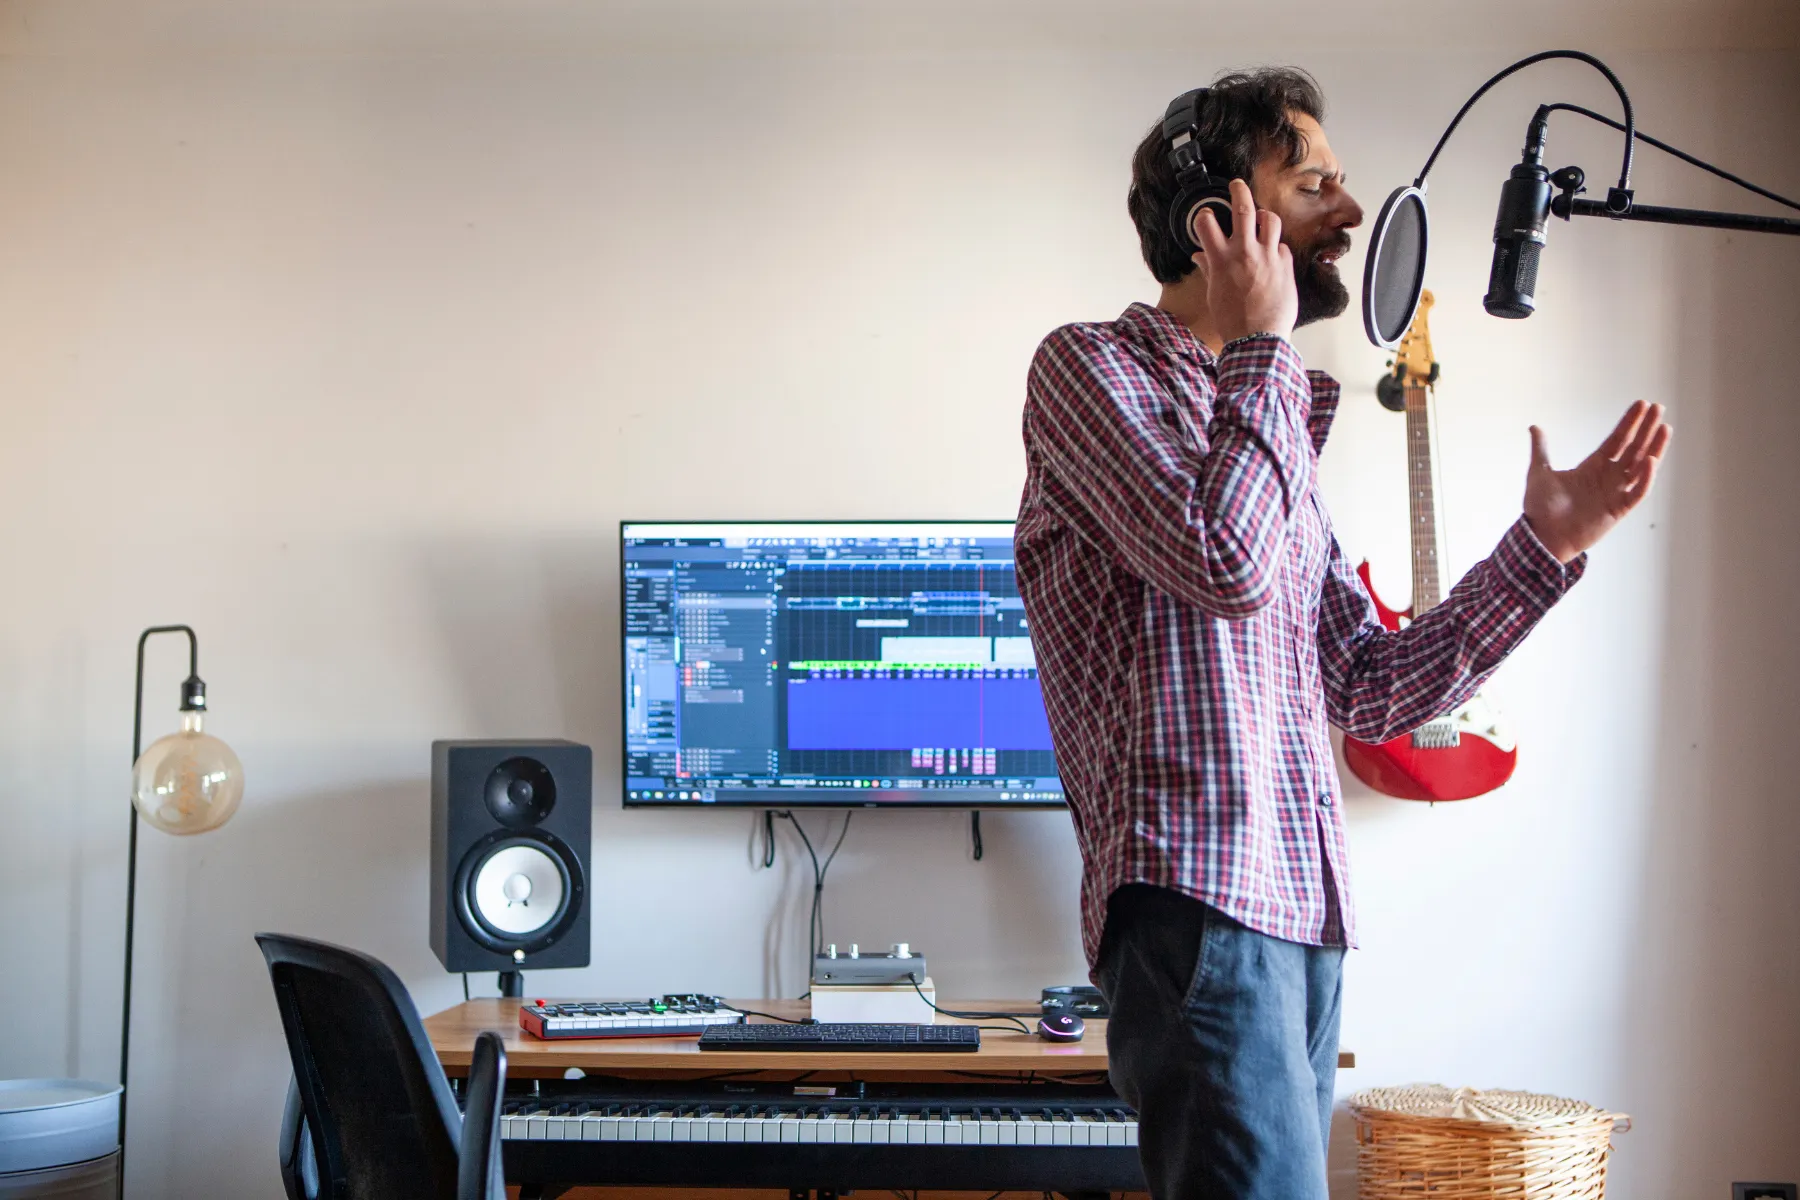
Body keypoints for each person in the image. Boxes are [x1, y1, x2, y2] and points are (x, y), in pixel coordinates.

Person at [1013, 68, 1670, 1200]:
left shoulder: (1272, 436)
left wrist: (1545, 544)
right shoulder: (1089, 369)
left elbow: (1369, 688)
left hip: (1302, 916)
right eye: (1314, 181)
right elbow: (1219, 561)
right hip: (1197, 904)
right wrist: (1264, 344)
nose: (1353, 214)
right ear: (1214, 213)